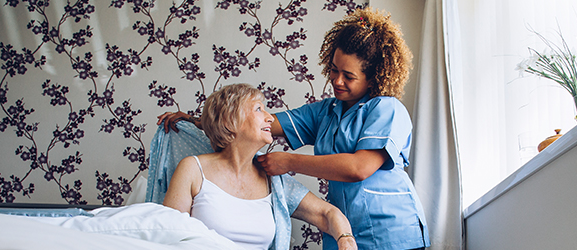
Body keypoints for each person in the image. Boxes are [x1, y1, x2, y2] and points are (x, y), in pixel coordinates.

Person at [158, 8, 430, 250]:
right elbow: (255, 123)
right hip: (346, 232)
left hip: (392, 231)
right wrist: (200, 120)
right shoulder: (326, 111)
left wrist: (288, 161)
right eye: (334, 70)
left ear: (374, 78)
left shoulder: (387, 109)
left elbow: (358, 168)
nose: (336, 81)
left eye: (349, 76)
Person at [161, 83, 357, 250]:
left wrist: (345, 239)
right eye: (258, 109)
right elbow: (167, 236)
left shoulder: (274, 180)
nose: (270, 117)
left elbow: (327, 213)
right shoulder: (193, 169)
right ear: (231, 120)